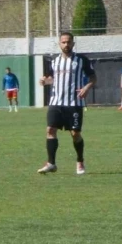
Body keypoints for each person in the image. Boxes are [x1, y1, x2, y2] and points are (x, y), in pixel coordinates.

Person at [38, 32, 96, 176]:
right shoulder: (54, 61)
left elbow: (93, 77)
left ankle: (80, 160)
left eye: (68, 42)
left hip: (74, 103)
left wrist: (86, 88)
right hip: (56, 102)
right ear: (59, 44)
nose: (66, 44)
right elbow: (52, 79)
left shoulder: (81, 60)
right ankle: (51, 163)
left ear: (73, 43)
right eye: (63, 42)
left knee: (75, 134)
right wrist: (44, 81)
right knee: (50, 130)